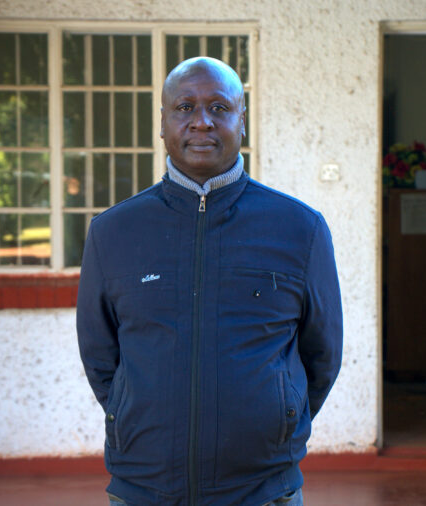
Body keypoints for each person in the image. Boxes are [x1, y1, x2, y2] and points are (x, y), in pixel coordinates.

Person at [77, 56, 343, 506]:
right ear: (162, 122)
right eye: (185, 107)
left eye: (220, 107)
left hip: (264, 491)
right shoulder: (113, 232)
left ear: (242, 122)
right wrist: (134, 413)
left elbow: (322, 355)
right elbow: (101, 357)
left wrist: (279, 417)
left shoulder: (300, 229)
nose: (201, 122)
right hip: (144, 489)